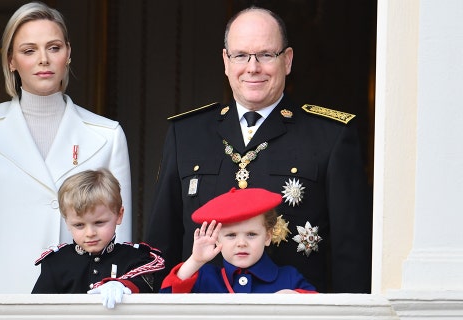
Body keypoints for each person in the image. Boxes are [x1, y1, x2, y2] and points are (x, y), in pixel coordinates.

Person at [146, 6, 371, 293]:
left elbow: (350, 252)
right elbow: (160, 244)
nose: (253, 67)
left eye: (266, 55)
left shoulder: (331, 136)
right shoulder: (186, 134)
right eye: (241, 55)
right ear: (226, 61)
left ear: (287, 61)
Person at [0, 2, 132, 294]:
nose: (43, 59)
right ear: (11, 60)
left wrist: (117, 291)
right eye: (29, 50)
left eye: (53, 48)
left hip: (76, 304)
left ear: (68, 54)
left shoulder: (108, 135)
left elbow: (120, 240)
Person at [32, 169, 164, 308]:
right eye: (79, 225)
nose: (90, 233)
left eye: (99, 223)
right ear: (67, 223)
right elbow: (37, 310)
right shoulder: (56, 263)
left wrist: (122, 284)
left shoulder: (136, 258)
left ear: (119, 215)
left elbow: (151, 291)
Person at [160, 188, 316, 294]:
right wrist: (195, 260)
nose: (241, 243)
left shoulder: (288, 277)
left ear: (268, 237)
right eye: (231, 235)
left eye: (251, 234)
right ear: (217, 238)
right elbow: (165, 300)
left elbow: (319, 310)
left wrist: (294, 297)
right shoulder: (204, 277)